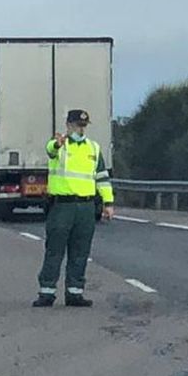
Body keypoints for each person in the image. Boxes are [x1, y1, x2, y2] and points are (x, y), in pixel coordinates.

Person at [34, 109, 115, 308]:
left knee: (80, 252)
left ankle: (75, 293)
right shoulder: (60, 145)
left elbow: (102, 178)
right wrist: (57, 143)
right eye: (77, 125)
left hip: (86, 206)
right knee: (55, 250)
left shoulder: (93, 149)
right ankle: (47, 292)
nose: (81, 129)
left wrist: (108, 203)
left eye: (83, 126)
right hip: (63, 206)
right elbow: (50, 149)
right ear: (68, 125)